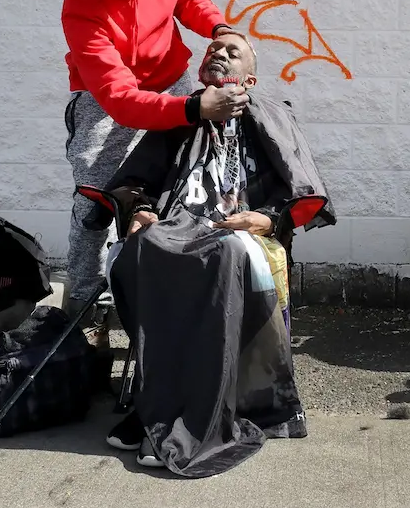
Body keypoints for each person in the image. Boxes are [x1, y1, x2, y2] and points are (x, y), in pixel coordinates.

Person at [84, 31, 336, 477]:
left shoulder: (274, 119)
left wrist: (269, 220)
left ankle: (191, 421)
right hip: (179, 227)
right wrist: (140, 210)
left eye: (231, 51)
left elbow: (301, 191)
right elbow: (132, 181)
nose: (218, 52)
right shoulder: (181, 116)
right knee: (144, 248)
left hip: (237, 232)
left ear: (250, 80)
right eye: (213, 49)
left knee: (223, 256)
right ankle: (158, 411)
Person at [60, 0, 250, 316]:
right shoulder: (80, 11)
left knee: (182, 177)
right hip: (106, 95)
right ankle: (83, 301)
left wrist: (219, 28)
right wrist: (195, 106)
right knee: (95, 196)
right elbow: (121, 100)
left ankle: (167, 281)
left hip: (171, 76)